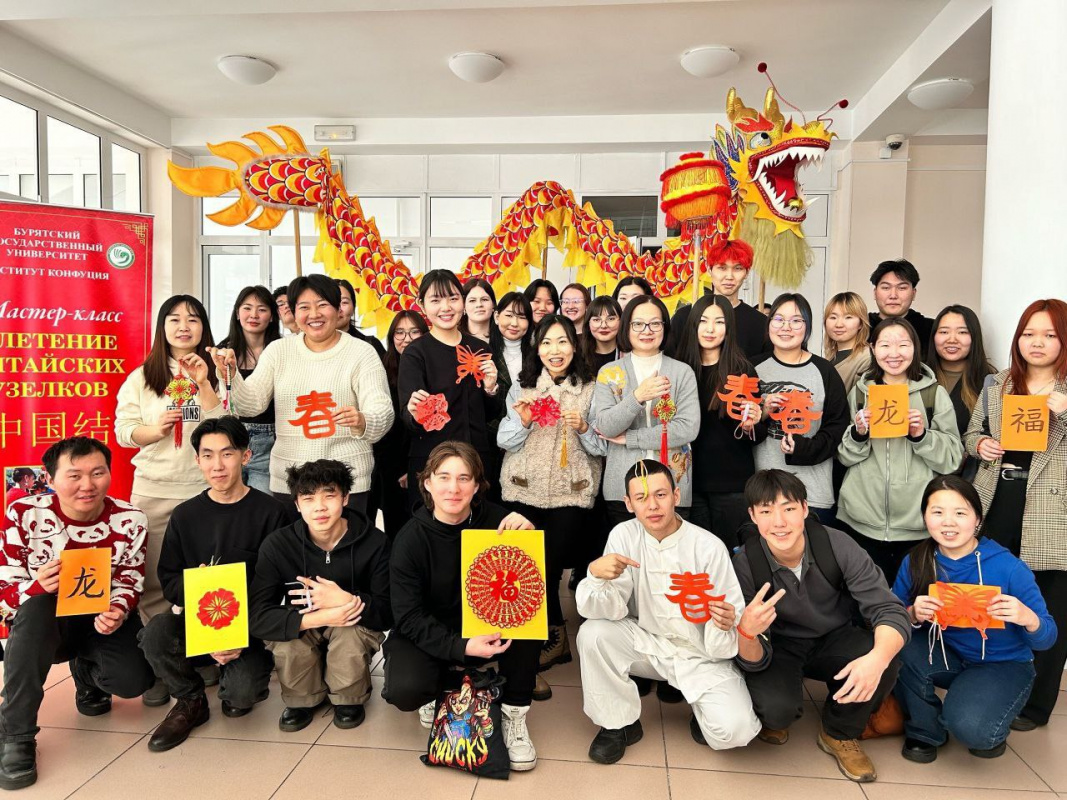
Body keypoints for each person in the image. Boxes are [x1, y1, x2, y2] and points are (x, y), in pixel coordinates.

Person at [577, 460, 760, 764]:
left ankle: (701, 710)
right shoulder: (623, 536)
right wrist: (595, 576)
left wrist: (726, 623)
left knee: (735, 731)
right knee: (593, 632)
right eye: (641, 497)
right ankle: (617, 724)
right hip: (645, 643)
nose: (652, 506)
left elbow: (731, 617)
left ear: (676, 495)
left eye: (660, 495)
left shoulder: (708, 546)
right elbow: (606, 609)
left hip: (700, 652)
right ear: (628, 503)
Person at [733, 470, 909, 784]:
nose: (779, 522)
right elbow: (750, 658)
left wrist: (877, 660)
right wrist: (746, 630)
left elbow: (888, 609)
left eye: (788, 508)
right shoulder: (746, 564)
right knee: (776, 711)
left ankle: (839, 732)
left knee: (885, 656)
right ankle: (779, 710)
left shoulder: (837, 545)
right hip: (780, 645)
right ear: (753, 516)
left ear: (804, 508)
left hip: (834, 637)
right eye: (766, 511)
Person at [0, 438, 154, 790]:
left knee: (133, 682)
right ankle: (16, 734)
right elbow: (5, 589)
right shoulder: (23, 514)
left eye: (98, 473)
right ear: (49, 479)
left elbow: (130, 579)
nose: (88, 485)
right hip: (44, 622)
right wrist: (37, 585)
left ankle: (86, 674)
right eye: (74, 476)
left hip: (100, 618)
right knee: (36, 608)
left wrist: (118, 609)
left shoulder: (130, 519)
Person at [382, 442, 541, 772]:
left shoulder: (501, 523)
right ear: (427, 483)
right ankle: (440, 689)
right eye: (443, 477)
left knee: (527, 618)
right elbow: (408, 616)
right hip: (434, 628)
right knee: (406, 690)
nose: (453, 488)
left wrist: (527, 536)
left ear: (477, 485)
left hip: (488, 623)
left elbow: (531, 586)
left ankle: (514, 713)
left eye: (464, 478)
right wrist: (461, 646)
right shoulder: (410, 539)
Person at [139, 417, 288, 751]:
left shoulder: (271, 513)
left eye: (227, 454)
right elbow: (169, 581)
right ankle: (190, 699)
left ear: (246, 456)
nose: (217, 465)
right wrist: (199, 585)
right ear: (197, 460)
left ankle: (238, 674)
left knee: (240, 698)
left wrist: (236, 635)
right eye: (207, 455)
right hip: (198, 620)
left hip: (248, 626)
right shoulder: (185, 515)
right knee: (156, 632)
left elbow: (277, 586)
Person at [892, 475, 1056, 763]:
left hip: (1002, 664)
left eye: (960, 513)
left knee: (972, 730)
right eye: (937, 512)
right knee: (895, 645)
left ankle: (981, 716)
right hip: (947, 654)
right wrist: (913, 613)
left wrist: (1028, 618)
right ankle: (925, 731)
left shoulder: (1009, 567)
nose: (948, 522)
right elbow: (889, 618)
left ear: (977, 519)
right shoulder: (917, 560)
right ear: (925, 517)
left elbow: (1047, 638)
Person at [209, 274, 394, 514]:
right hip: (290, 480)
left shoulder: (361, 352)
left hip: (346, 482)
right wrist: (231, 375)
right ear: (293, 313)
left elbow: (382, 409)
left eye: (322, 305)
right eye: (304, 307)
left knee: (345, 539)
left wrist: (363, 420)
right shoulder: (279, 351)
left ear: (338, 309)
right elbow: (251, 404)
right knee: (290, 540)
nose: (314, 314)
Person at [965, 298, 1067, 730]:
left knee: (1048, 603)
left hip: (1051, 507)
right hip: (998, 499)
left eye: (1049, 335)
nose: (1036, 342)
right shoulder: (999, 383)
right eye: (1028, 333)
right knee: (992, 592)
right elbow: (972, 432)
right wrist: (981, 445)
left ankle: (1036, 705)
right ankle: (988, 687)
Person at [115, 295, 222, 709]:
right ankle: (164, 665)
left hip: (204, 489)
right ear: (162, 327)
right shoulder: (143, 376)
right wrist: (154, 430)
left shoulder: (216, 369)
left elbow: (227, 426)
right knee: (154, 581)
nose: (183, 326)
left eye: (193, 319)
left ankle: (206, 654)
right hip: (155, 488)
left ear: (203, 327)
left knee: (206, 577)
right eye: (174, 319)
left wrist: (206, 384)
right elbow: (124, 430)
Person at [497, 315, 605, 699]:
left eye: (562, 342)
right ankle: (548, 640)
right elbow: (504, 439)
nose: (554, 351)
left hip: (569, 492)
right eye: (546, 343)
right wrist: (524, 422)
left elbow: (603, 447)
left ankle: (550, 638)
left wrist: (584, 429)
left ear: (575, 346)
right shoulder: (523, 386)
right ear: (536, 348)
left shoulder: (591, 389)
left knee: (552, 568)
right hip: (522, 489)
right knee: (527, 572)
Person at [249, 459, 391, 733]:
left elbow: (388, 612)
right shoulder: (278, 545)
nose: (320, 507)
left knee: (350, 633)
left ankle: (348, 698)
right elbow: (257, 616)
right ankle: (302, 699)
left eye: (329, 495)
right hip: (306, 622)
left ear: (345, 498)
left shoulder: (374, 542)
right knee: (288, 637)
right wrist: (318, 618)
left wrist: (344, 600)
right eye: (308, 498)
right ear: (296, 504)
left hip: (351, 622)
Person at [837, 319, 963, 584]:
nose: (894, 353)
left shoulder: (933, 394)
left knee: (913, 596)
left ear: (915, 348)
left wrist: (921, 436)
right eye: (885, 345)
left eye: (903, 345)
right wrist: (859, 433)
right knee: (866, 596)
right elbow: (844, 457)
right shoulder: (859, 394)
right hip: (861, 519)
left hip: (917, 523)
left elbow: (952, 459)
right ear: (873, 348)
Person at [592, 295, 699, 526]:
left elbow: (687, 429)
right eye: (638, 324)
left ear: (665, 327)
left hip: (674, 485)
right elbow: (606, 426)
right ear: (627, 328)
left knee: (672, 549)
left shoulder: (682, 372)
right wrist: (638, 396)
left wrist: (631, 438)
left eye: (655, 323)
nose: (647, 331)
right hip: (623, 488)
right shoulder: (609, 372)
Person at [399, 270, 503, 503]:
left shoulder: (480, 348)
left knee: (478, 522)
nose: (446, 307)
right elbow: (408, 418)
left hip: (476, 459)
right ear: (422, 305)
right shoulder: (415, 353)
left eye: (453, 298)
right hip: (433, 463)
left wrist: (490, 389)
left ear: (462, 302)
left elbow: (490, 414)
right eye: (435, 300)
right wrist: (415, 413)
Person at [674, 295, 762, 550]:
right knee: (696, 557)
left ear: (729, 327)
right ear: (693, 325)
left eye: (719, 322)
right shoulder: (679, 369)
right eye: (703, 321)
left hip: (732, 483)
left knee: (732, 555)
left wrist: (752, 423)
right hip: (688, 482)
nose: (710, 329)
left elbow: (757, 432)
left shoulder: (742, 370)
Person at [752, 293, 849, 525]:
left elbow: (837, 429)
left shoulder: (824, 371)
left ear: (808, 327)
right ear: (769, 324)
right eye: (778, 319)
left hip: (812, 493)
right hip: (762, 492)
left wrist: (802, 447)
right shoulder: (752, 368)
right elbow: (739, 428)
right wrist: (763, 413)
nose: (786, 327)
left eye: (796, 320)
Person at [217, 285, 283, 494]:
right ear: (237, 313)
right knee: (228, 501)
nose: (254, 315)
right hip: (230, 436)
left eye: (262, 309)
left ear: (271, 317)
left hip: (270, 440)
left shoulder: (281, 351)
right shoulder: (223, 351)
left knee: (262, 503)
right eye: (247, 308)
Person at [666, 240, 769, 359]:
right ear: (709, 270)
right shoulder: (684, 317)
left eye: (738, 268)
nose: (729, 276)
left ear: (746, 273)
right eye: (722, 268)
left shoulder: (760, 323)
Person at [379, 310, 429, 540]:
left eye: (414, 332)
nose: (406, 339)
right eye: (399, 333)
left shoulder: (430, 369)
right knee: (395, 529)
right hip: (389, 464)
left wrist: (412, 469)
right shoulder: (381, 370)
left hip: (419, 461)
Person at [925, 305, 996, 440]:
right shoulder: (919, 377)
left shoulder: (991, 382)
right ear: (934, 336)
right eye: (944, 332)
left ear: (974, 337)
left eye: (962, 332)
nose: (952, 339)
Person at [867, 259, 933, 358]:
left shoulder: (931, 329)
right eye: (886, 288)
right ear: (875, 293)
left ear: (913, 293)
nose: (893, 295)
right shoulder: (861, 327)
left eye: (902, 288)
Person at [823, 292, 873, 394]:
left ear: (861, 323)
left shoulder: (867, 359)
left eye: (848, 317)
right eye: (833, 317)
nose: (839, 324)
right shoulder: (829, 357)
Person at [491, 291, 533, 388]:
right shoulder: (486, 353)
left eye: (522, 317)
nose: (514, 323)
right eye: (509, 315)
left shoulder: (537, 356)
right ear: (497, 317)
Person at [336, 278, 386, 359]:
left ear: (353, 307)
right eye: (332, 302)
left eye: (344, 302)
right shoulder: (313, 348)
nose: (339, 309)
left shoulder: (370, 345)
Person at [582, 296, 622, 375]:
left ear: (621, 321)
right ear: (588, 323)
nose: (603, 326)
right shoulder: (579, 357)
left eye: (611, 319)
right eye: (596, 320)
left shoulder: (630, 356)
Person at [461, 278, 496, 343]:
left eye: (484, 299)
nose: (479, 304)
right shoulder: (454, 339)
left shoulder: (506, 339)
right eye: (472, 300)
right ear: (464, 306)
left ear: (493, 304)